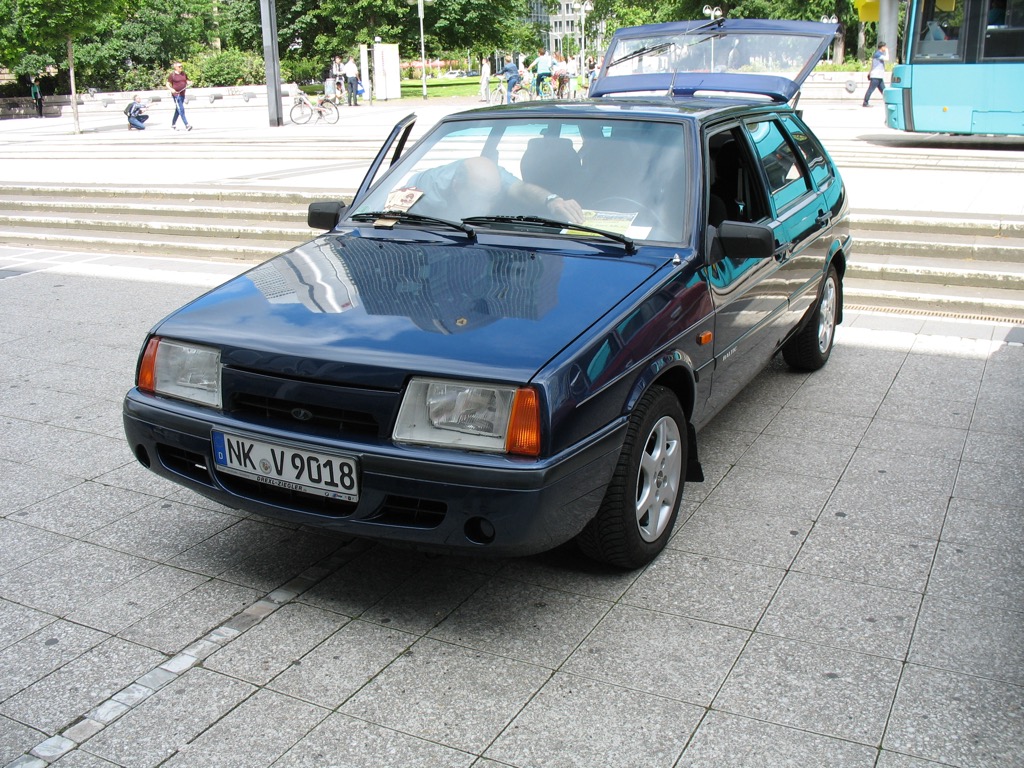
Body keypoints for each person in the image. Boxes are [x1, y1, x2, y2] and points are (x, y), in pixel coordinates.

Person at [404, 156, 585, 223]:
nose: (488, 208)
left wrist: (552, 200)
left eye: (493, 198)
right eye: (480, 198)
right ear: (458, 187)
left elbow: (520, 189)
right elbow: (388, 215)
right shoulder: (425, 191)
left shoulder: (491, 175)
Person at [167, 61, 192, 130]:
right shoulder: (172, 75)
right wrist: (171, 89)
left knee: (178, 110)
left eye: (181, 66)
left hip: (182, 94)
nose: (181, 68)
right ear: (175, 67)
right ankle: (187, 125)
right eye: (179, 66)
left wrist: (189, 82)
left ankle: (173, 124)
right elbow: (167, 84)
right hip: (176, 95)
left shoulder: (183, 74)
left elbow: (186, 80)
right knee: (181, 109)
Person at [862, 42, 889, 107]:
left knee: (883, 90)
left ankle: (888, 101)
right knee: (871, 89)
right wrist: (887, 51)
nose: (885, 48)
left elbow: (872, 65)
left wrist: (869, 72)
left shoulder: (878, 54)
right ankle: (865, 103)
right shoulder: (878, 54)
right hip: (876, 76)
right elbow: (887, 59)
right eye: (885, 47)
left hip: (879, 76)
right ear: (882, 47)